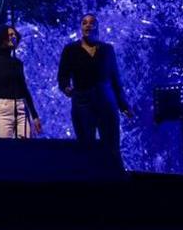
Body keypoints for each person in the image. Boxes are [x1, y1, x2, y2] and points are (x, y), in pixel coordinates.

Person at [56, 14, 131, 152]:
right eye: (84, 23)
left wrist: (123, 104)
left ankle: (112, 172)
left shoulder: (107, 49)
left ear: (97, 27)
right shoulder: (70, 50)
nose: (88, 25)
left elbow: (115, 77)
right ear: (81, 27)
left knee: (111, 146)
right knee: (86, 146)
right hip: (82, 102)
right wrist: (66, 88)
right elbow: (62, 76)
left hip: (106, 101)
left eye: (91, 23)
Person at [0, 26, 41, 138]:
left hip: (20, 108)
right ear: (2, 38)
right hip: (3, 108)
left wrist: (34, 116)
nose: (14, 37)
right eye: (10, 35)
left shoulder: (17, 63)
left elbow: (24, 89)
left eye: (14, 34)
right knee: (6, 149)